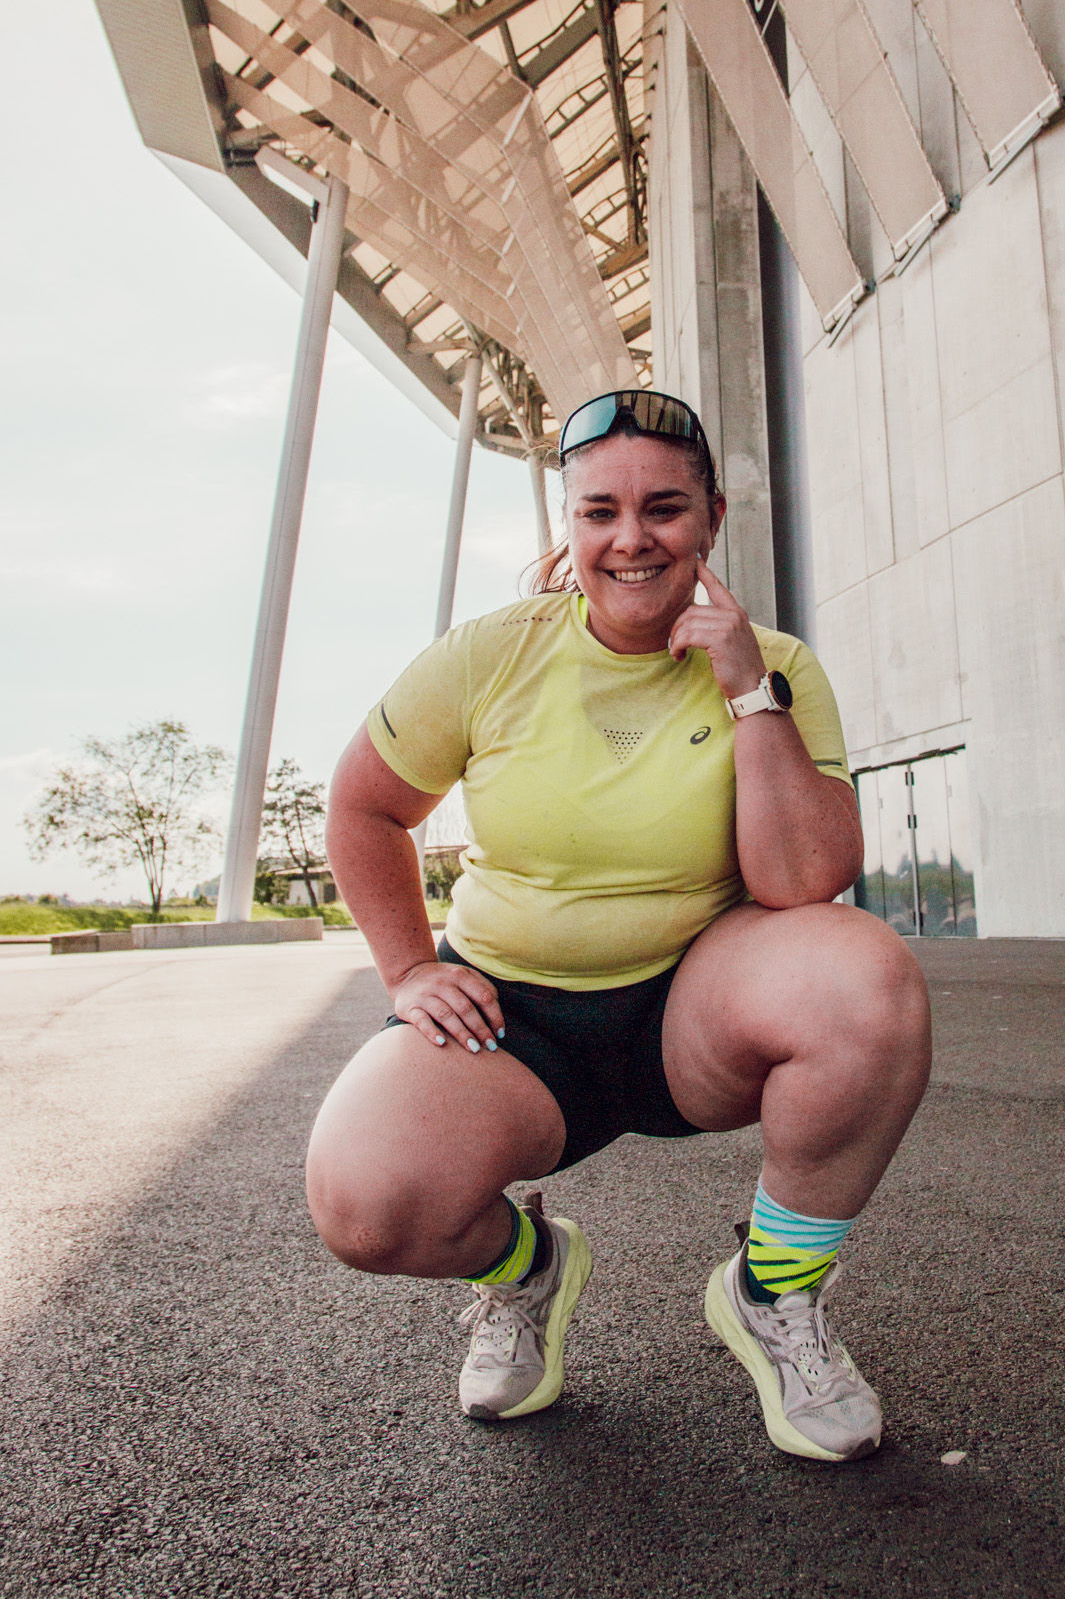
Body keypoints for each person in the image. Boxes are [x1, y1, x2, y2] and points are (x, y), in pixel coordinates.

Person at [308, 390, 931, 1463]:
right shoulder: (488, 655)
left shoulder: (778, 662)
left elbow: (806, 878)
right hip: (513, 1018)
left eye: (663, 508)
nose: (631, 538)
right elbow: (364, 807)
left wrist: (748, 689)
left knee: (866, 979)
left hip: (693, 1005)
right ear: (569, 526)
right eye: (600, 511)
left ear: (712, 518)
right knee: (368, 1205)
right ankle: (528, 1270)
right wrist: (409, 966)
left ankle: (772, 1295)